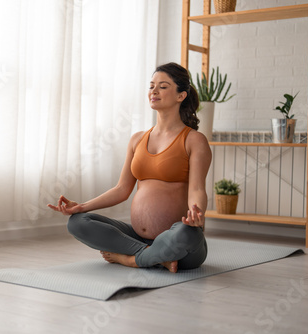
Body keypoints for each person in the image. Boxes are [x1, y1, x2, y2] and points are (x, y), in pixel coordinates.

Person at [48, 62, 212, 273]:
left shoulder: (194, 140)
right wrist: (81, 207)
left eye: (163, 86)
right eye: (151, 85)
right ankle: (153, 256)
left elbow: (197, 188)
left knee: (187, 234)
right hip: (136, 235)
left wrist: (195, 213)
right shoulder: (137, 139)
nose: (154, 90)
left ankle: (130, 260)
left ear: (181, 95)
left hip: (178, 239)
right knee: (78, 222)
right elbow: (121, 190)